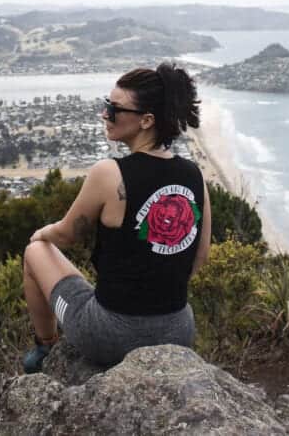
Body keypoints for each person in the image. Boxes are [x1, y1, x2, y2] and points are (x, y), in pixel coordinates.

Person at [21, 63, 212, 372]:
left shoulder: (110, 173)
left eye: (114, 109)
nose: (104, 114)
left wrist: (41, 233)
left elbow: (67, 236)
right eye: (105, 105)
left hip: (109, 337)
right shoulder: (194, 175)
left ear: (146, 121)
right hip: (179, 330)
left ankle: (45, 348)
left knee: (35, 252)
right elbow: (200, 256)